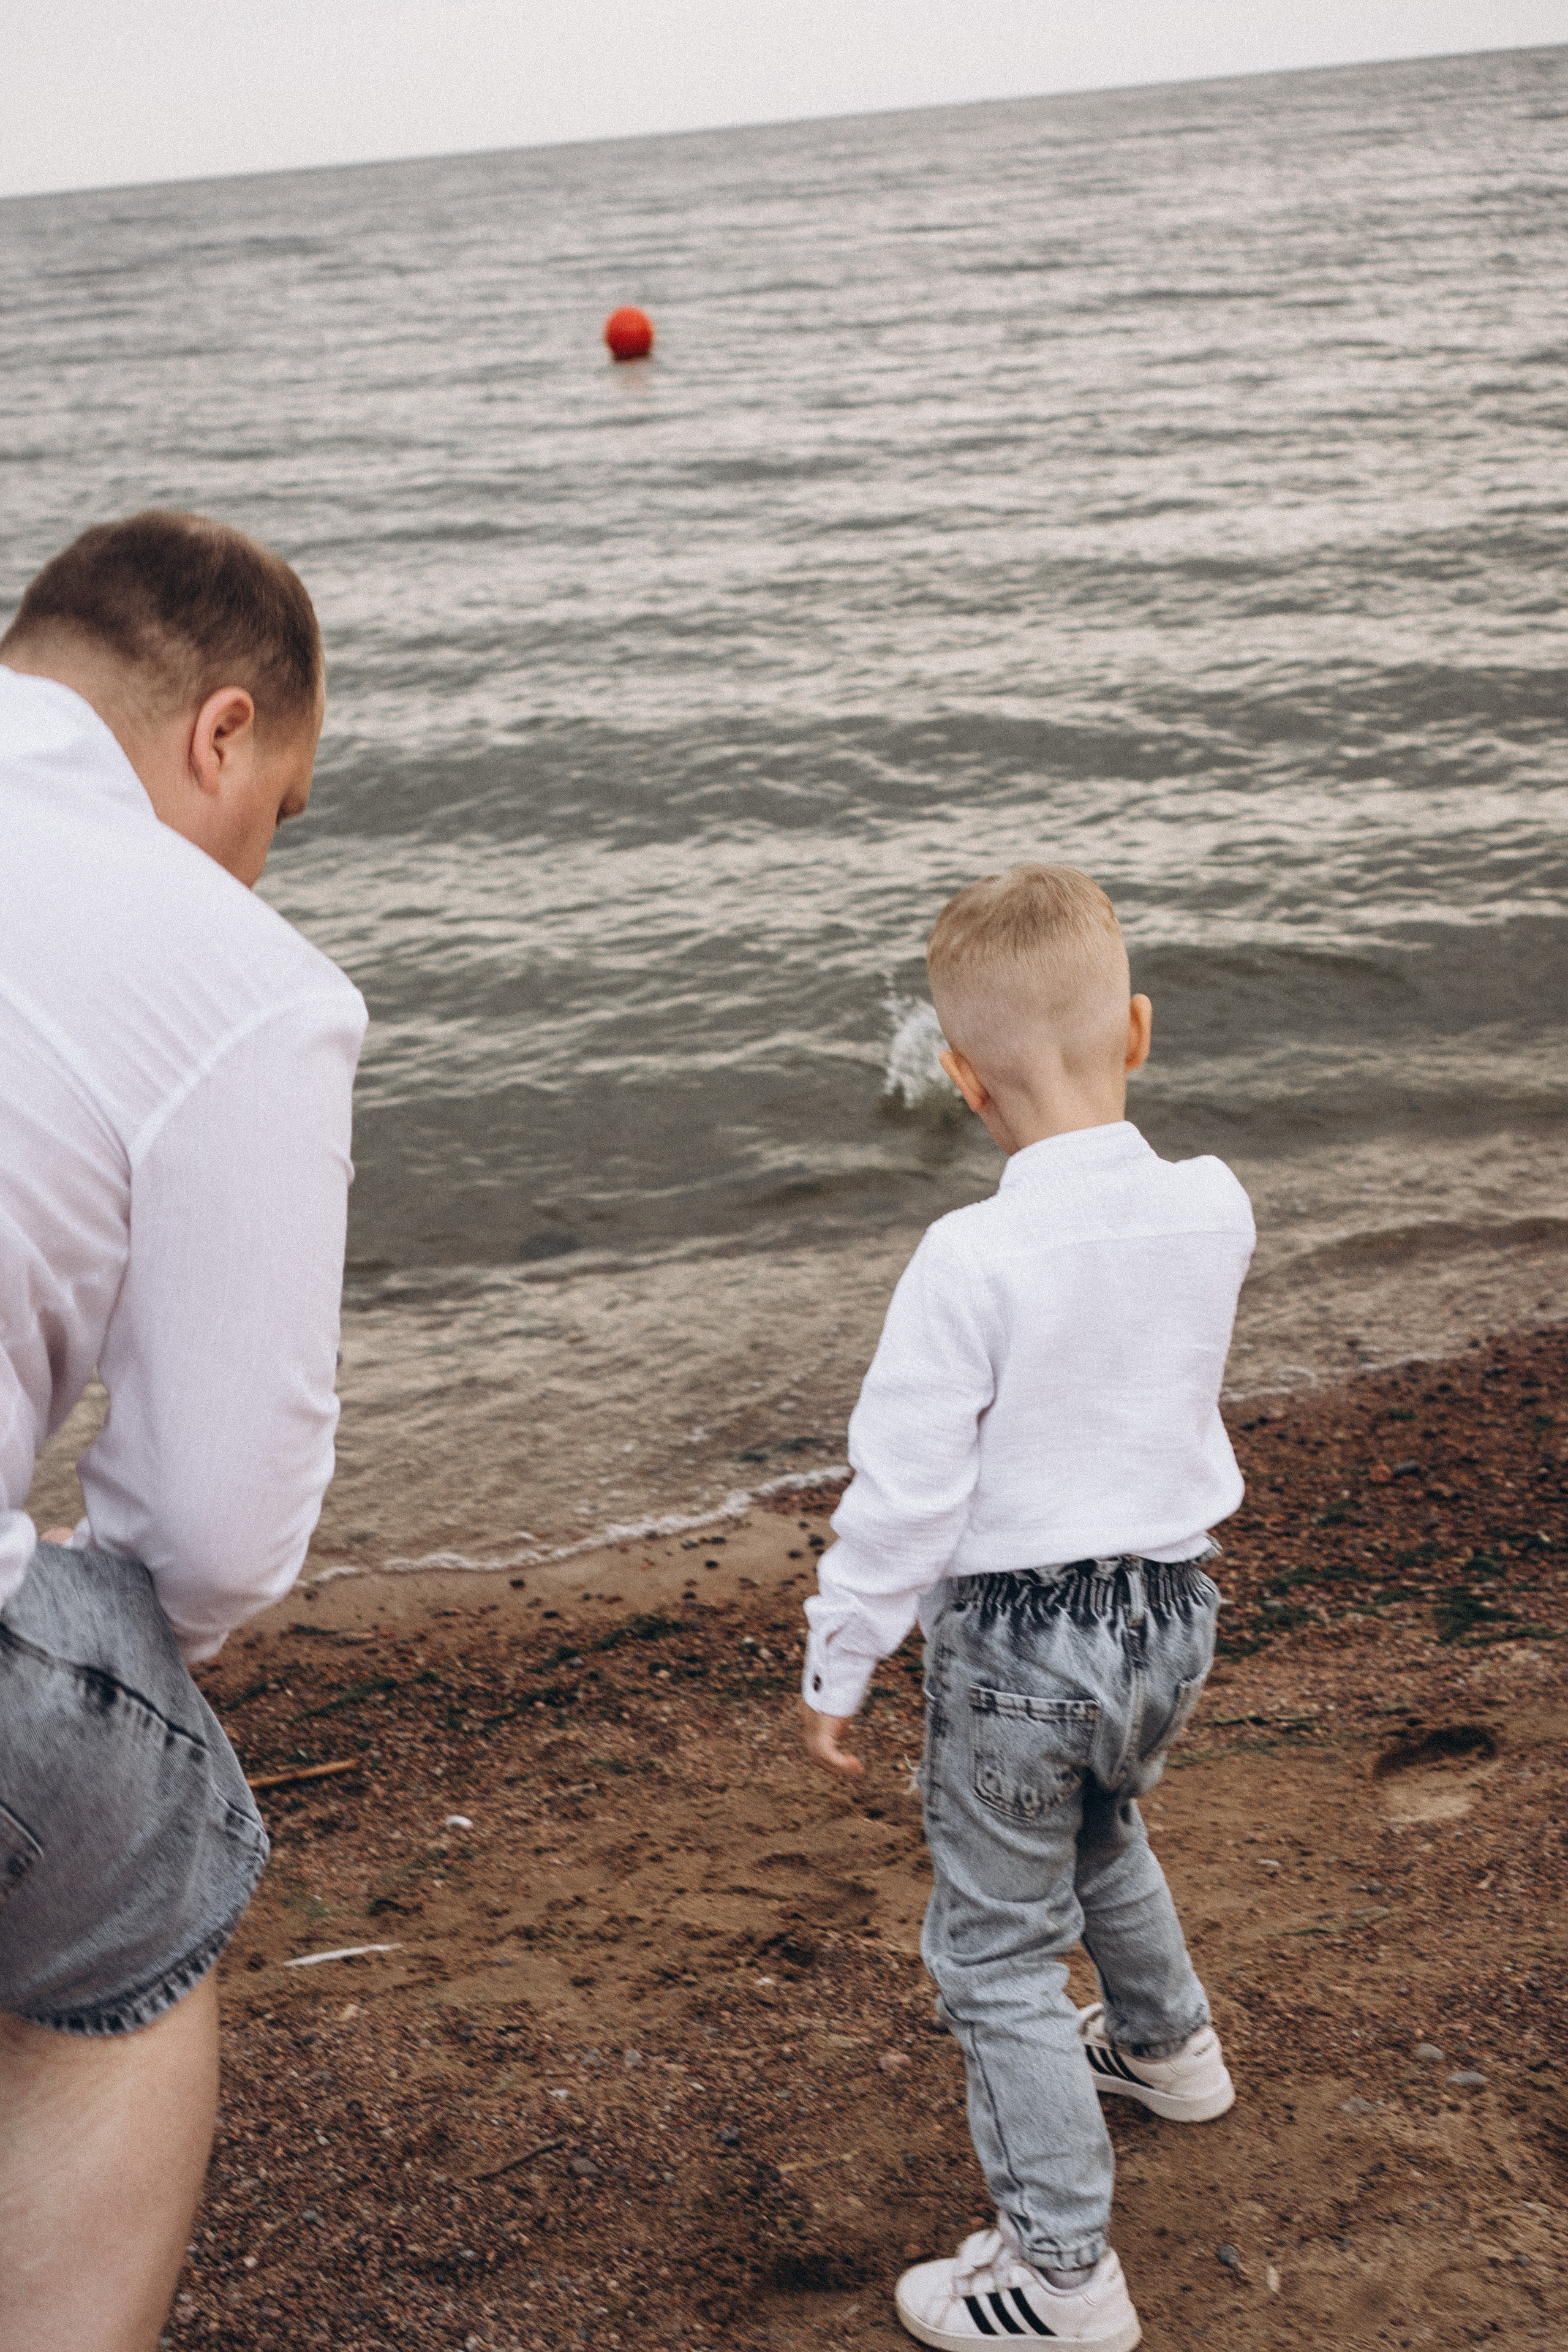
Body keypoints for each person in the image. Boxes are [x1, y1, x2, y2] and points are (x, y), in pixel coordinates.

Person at [797, 864, 1255, 2352]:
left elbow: (907, 1490)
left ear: (955, 1078)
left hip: (1021, 1641)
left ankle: (1060, 2277)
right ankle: (1165, 2050)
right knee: (1101, 1822)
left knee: (991, 1953)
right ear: (1136, 1029)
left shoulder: (968, 1257)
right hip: (1170, 1613)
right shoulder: (1210, 1207)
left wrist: (844, 1652)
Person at [0, 511, 366, 2352]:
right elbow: (214, 1534)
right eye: (279, 815)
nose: (257, 861)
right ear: (224, 735)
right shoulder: (237, 975)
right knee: (121, 1842)